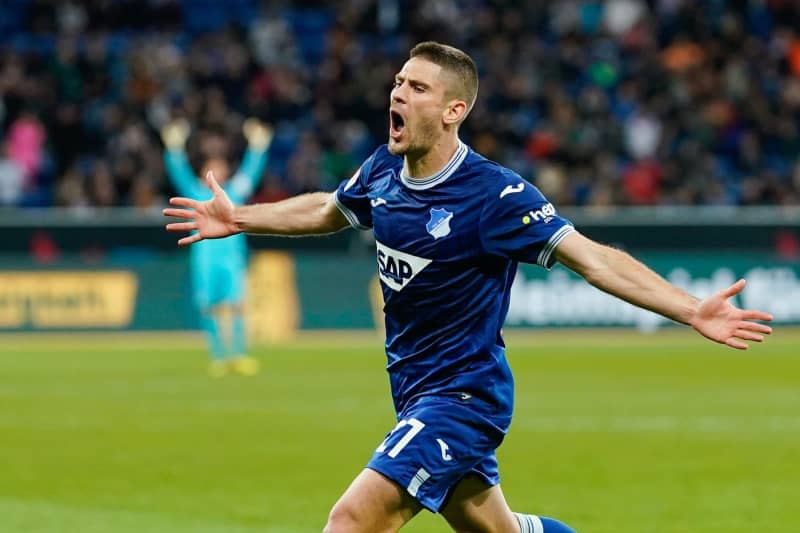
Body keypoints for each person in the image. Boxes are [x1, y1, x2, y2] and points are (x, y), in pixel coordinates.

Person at [164, 42, 773, 532]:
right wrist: (240, 217)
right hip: (412, 389)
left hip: (463, 400)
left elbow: (592, 260)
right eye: (399, 83)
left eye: (418, 87)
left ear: (454, 111)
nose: (398, 93)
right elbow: (329, 209)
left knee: (350, 521)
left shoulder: (495, 196)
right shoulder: (382, 168)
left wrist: (692, 308)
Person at [161, 117, 273, 377]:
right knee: (210, 307)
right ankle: (219, 357)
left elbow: (251, 172)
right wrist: (174, 148)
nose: (217, 173)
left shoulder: (234, 192)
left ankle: (238, 355)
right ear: (204, 174)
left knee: (236, 306)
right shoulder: (195, 192)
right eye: (212, 169)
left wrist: (258, 147)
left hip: (232, 259)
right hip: (205, 258)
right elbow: (178, 172)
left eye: (220, 168)